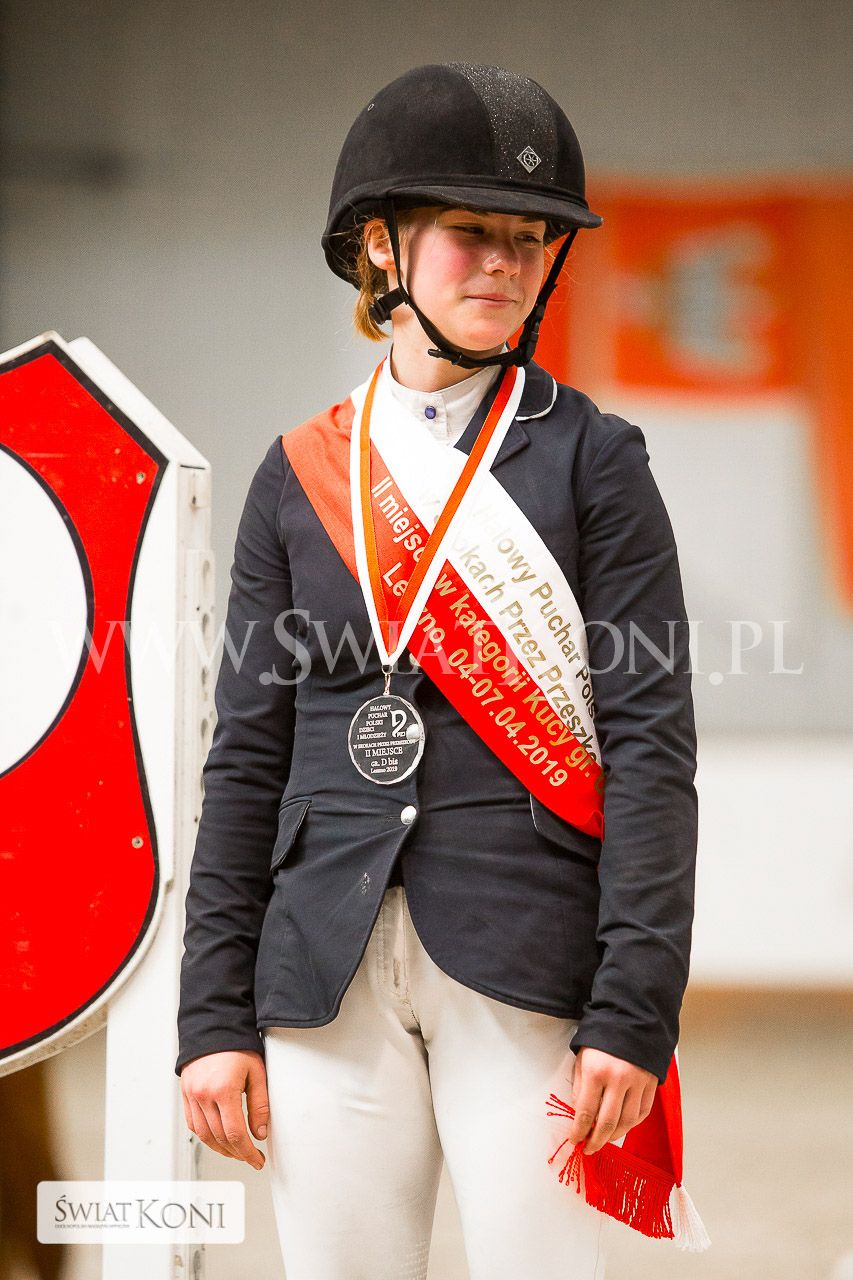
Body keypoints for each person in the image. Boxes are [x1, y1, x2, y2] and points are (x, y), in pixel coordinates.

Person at [176, 62, 704, 1279]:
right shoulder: (297, 474)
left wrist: (633, 1007)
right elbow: (245, 756)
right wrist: (212, 1015)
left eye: (531, 239)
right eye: (473, 231)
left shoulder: (594, 461)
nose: (506, 263)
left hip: (528, 961)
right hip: (321, 964)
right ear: (382, 244)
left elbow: (650, 749)